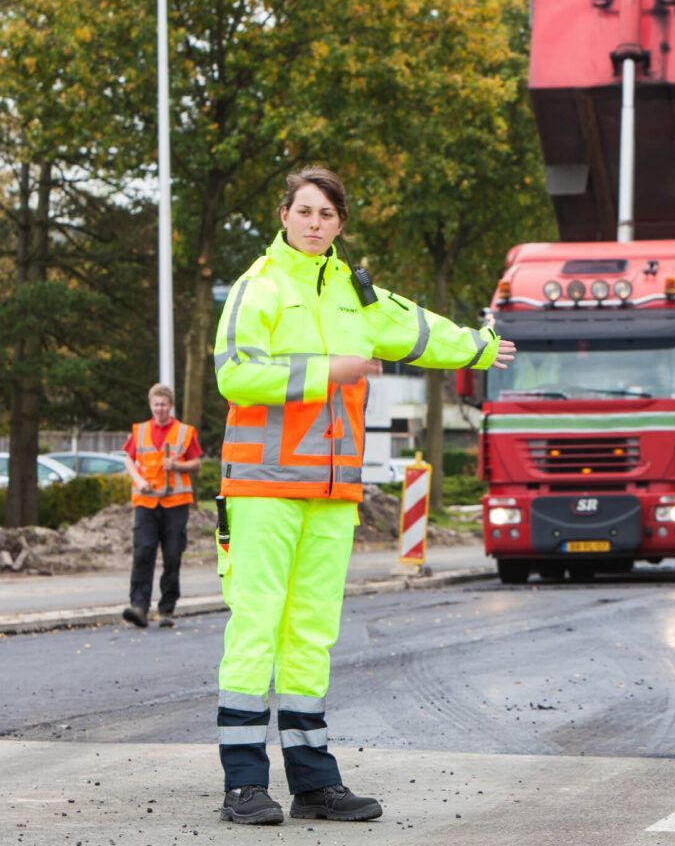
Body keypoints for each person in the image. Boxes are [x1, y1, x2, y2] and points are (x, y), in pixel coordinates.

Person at [213, 166, 515, 826]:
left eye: (327, 214)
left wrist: (480, 349)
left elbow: (418, 328)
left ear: (340, 224)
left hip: (331, 493)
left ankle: (314, 782)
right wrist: (330, 371)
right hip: (262, 487)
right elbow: (235, 373)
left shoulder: (356, 295)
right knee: (256, 628)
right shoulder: (257, 287)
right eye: (304, 211)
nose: (315, 223)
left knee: (311, 634)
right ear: (283, 215)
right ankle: (243, 783)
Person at [121, 383, 203, 627]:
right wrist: (138, 480)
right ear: (150, 405)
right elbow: (128, 459)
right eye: (156, 404)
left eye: (163, 404)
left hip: (175, 502)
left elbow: (196, 463)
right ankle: (139, 606)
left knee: (172, 554)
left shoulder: (185, 432)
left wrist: (176, 465)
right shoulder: (140, 431)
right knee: (143, 551)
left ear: (171, 406)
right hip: (146, 501)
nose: (159, 409)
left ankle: (166, 608)